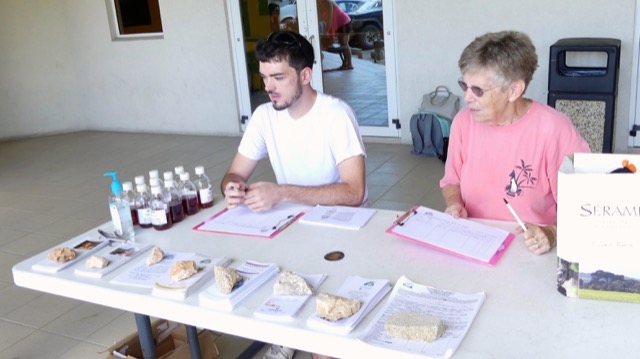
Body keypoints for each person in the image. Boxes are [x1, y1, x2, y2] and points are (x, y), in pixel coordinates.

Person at [221, 30, 365, 359]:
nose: (268, 87)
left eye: (278, 77)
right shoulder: (264, 117)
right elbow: (234, 173)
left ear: (305, 75)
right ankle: (289, 329)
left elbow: (354, 192)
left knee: (324, 345)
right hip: (292, 227)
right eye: (264, 77)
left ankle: (306, 335)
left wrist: (282, 191)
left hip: (343, 231)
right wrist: (232, 186)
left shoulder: (335, 115)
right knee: (250, 287)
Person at [439, 30, 590, 256]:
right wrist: (454, 204)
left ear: (514, 90)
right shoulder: (463, 122)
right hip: (474, 243)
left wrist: (552, 233)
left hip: (530, 249)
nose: (467, 97)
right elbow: (452, 181)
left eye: (478, 90)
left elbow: (586, 206)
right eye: (465, 86)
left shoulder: (554, 129)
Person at [318, 0, 353, 71]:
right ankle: (345, 64)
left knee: (344, 45)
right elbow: (321, 18)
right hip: (339, 25)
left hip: (344, 23)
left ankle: (349, 64)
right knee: (343, 45)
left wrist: (326, 31)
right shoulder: (320, 4)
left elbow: (329, 20)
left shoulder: (328, 3)